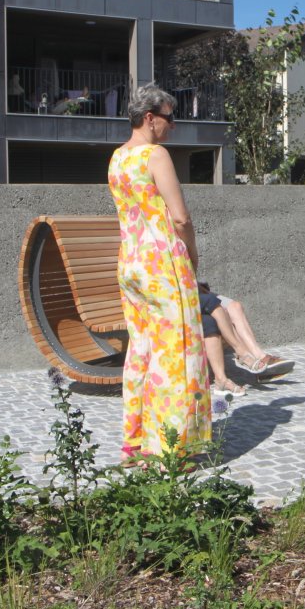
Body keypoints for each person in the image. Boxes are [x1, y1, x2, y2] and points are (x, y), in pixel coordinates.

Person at [108, 84, 210, 461]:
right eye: (170, 117)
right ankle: (171, 448)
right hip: (162, 264)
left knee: (141, 350)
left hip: (131, 263)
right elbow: (180, 218)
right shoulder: (156, 155)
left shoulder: (117, 158)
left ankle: (135, 442)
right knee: (175, 352)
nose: (173, 125)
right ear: (149, 118)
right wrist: (192, 256)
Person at [199, 283, 292, 393]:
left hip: (197, 287)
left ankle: (259, 356)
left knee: (235, 306)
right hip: (185, 292)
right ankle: (244, 355)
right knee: (219, 309)